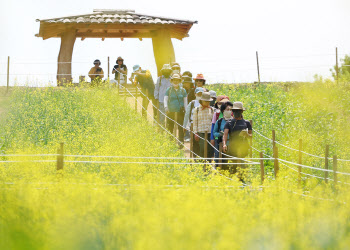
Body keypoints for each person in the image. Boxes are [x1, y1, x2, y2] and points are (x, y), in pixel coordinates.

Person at [222, 102, 252, 180]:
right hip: (232, 147)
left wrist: (246, 135)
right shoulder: (229, 123)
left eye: (238, 111)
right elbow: (225, 135)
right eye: (235, 111)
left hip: (243, 147)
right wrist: (224, 144)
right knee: (234, 166)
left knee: (242, 165)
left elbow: (251, 136)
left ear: (242, 112)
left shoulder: (246, 123)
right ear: (233, 112)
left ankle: (242, 181)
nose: (236, 113)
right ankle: (232, 181)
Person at [164, 74, 188, 147]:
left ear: (179, 81)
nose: (175, 81)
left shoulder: (183, 91)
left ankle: (180, 144)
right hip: (170, 112)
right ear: (172, 81)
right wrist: (166, 107)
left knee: (180, 128)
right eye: (174, 80)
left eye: (177, 80)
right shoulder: (169, 90)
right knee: (170, 127)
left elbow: (185, 101)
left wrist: (186, 110)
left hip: (180, 112)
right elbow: (165, 99)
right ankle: (170, 143)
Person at [192, 92, 215, 159]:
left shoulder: (211, 109)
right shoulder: (197, 109)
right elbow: (195, 122)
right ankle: (202, 164)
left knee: (209, 149)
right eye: (206, 101)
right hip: (200, 132)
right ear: (202, 100)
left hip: (209, 132)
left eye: (208, 101)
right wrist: (196, 132)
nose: (207, 103)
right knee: (202, 149)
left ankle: (209, 164)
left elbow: (213, 122)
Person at [213, 101, 233, 167]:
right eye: (227, 109)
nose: (229, 111)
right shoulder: (219, 121)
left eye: (230, 110)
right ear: (223, 111)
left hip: (232, 144)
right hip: (221, 144)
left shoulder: (234, 121)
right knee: (221, 162)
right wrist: (220, 134)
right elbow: (214, 133)